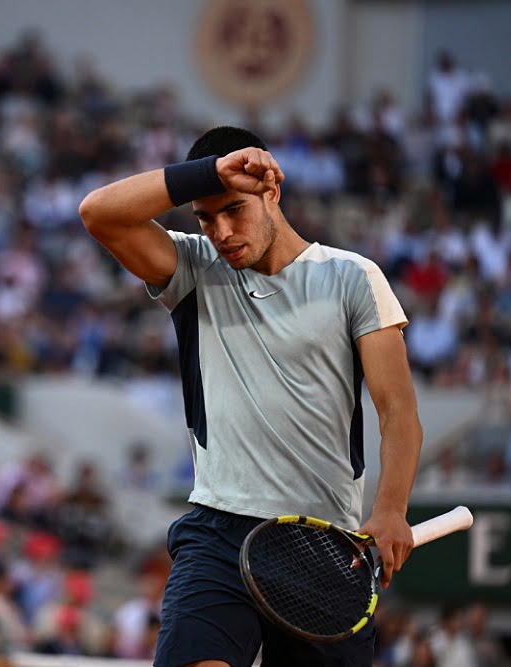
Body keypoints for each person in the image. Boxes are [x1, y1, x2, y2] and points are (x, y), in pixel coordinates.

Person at [79, 126, 423, 667]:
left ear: (272, 192)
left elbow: (398, 410)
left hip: (324, 540)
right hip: (218, 531)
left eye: (233, 210)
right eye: (206, 218)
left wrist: (391, 508)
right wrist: (212, 176)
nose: (221, 231)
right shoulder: (193, 268)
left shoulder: (354, 276)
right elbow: (98, 213)